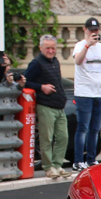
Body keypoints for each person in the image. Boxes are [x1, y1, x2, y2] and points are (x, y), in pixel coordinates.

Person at [25, 34, 69, 178]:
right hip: (46, 105)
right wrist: (41, 87)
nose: (51, 51)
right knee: (47, 138)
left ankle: (57, 164)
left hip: (59, 105)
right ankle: (48, 167)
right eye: (47, 48)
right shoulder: (36, 64)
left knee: (63, 137)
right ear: (41, 48)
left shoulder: (55, 61)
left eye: (53, 48)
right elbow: (25, 81)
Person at [72, 17, 101, 170]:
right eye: (91, 30)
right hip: (83, 92)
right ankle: (78, 160)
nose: (94, 33)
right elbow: (78, 61)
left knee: (95, 128)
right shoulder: (80, 46)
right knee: (83, 128)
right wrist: (88, 45)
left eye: (96, 30)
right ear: (85, 30)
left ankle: (91, 158)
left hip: (98, 93)